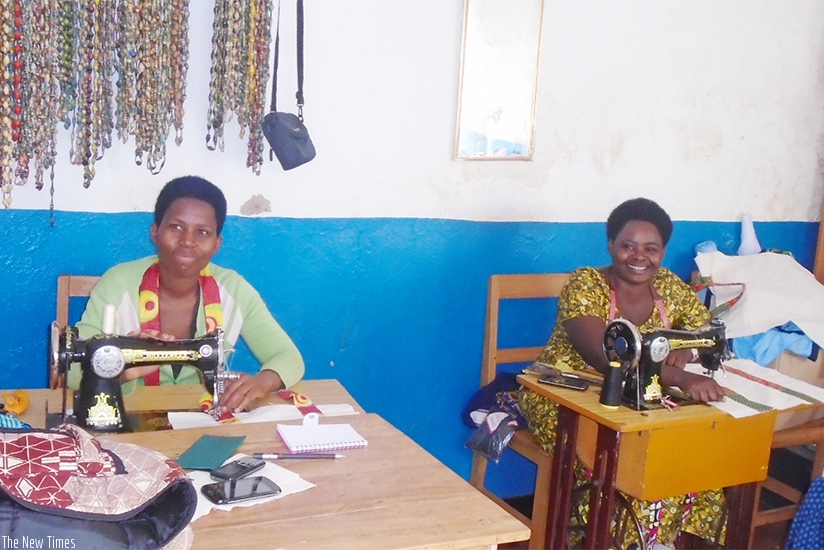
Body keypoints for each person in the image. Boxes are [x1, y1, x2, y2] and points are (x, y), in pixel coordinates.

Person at [519, 197, 726, 549]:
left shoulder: (671, 288)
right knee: (619, 463)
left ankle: (660, 539)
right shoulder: (586, 285)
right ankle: (617, 540)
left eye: (651, 248)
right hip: (563, 394)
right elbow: (606, 356)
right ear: (611, 244)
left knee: (689, 458)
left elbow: (705, 332)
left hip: (636, 399)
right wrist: (682, 378)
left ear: (663, 252)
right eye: (628, 245)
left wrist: (687, 350)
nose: (639, 256)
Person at [68, 176, 305, 414]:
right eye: (176, 227)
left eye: (202, 232)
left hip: (200, 418)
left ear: (217, 244)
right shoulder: (116, 285)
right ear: (155, 232)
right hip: (130, 415)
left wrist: (262, 382)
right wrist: (122, 372)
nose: (188, 241)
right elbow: (72, 372)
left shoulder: (234, 291)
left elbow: (289, 357)